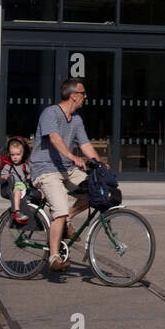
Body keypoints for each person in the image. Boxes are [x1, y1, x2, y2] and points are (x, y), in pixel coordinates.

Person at [29, 78, 103, 273]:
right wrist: (71, 155)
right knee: (59, 207)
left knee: (96, 190)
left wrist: (100, 163)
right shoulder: (50, 113)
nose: (85, 97)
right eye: (83, 93)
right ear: (73, 96)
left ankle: (68, 218)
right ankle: (54, 257)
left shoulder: (77, 120)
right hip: (44, 169)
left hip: (66, 169)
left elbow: (85, 144)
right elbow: (55, 137)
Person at [0, 135, 32, 224]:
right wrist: (6, 176)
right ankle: (17, 212)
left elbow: (30, 174)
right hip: (14, 187)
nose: (15, 157)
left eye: (18, 154)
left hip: (24, 186)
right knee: (17, 192)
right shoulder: (8, 166)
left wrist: (29, 177)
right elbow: (2, 176)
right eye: (13, 155)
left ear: (22, 154)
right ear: (9, 154)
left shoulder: (25, 165)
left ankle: (35, 214)